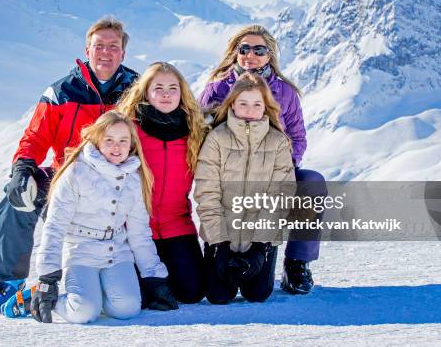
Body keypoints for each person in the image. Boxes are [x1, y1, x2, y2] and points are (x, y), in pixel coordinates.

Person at [0, 17, 139, 314]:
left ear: (123, 53)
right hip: (66, 177)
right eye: (98, 45)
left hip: (117, 181)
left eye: (113, 46)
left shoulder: (137, 91)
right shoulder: (62, 91)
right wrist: (23, 168)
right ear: (86, 50)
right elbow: (36, 136)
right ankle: (9, 282)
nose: (105, 52)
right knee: (17, 199)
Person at [198, 25, 327, 295]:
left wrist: (281, 168)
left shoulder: (285, 93)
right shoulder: (217, 89)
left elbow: (297, 136)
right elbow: (200, 132)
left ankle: (296, 264)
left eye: (259, 50)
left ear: (269, 55)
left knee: (312, 183)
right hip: (229, 176)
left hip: (272, 174)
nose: (250, 55)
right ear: (235, 52)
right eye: (243, 49)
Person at [21, 111, 177, 323]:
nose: (116, 147)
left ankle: (97, 293)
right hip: (80, 251)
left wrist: (154, 278)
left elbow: (139, 232)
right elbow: (55, 226)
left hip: (117, 252)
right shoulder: (76, 172)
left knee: (128, 309)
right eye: (109, 140)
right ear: (96, 140)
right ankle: (30, 299)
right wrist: (48, 277)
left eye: (123, 140)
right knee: (83, 311)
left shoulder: (134, 177)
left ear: (131, 144)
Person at [194, 73, 296, 304]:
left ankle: (263, 254)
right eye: (243, 103)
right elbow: (207, 193)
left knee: (257, 294)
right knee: (218, 296)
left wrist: (260, 246)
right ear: (232, 104)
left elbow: (280, 196)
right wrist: (219, 244)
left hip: (259, 238)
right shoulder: (217, 139)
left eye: (257, 104)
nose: (250, 110)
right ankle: (217, 254)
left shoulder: (277, 142)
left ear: (266, 107)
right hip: (222, 236)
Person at [117, 62, 206, 304]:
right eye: (158, 88)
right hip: (136, 228)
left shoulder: (194, 130)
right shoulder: (129, 129)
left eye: (172, 88)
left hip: (178, 224)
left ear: (182, 93)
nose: (166, 94)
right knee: (135, 296)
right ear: (145, 92)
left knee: (192, 293)